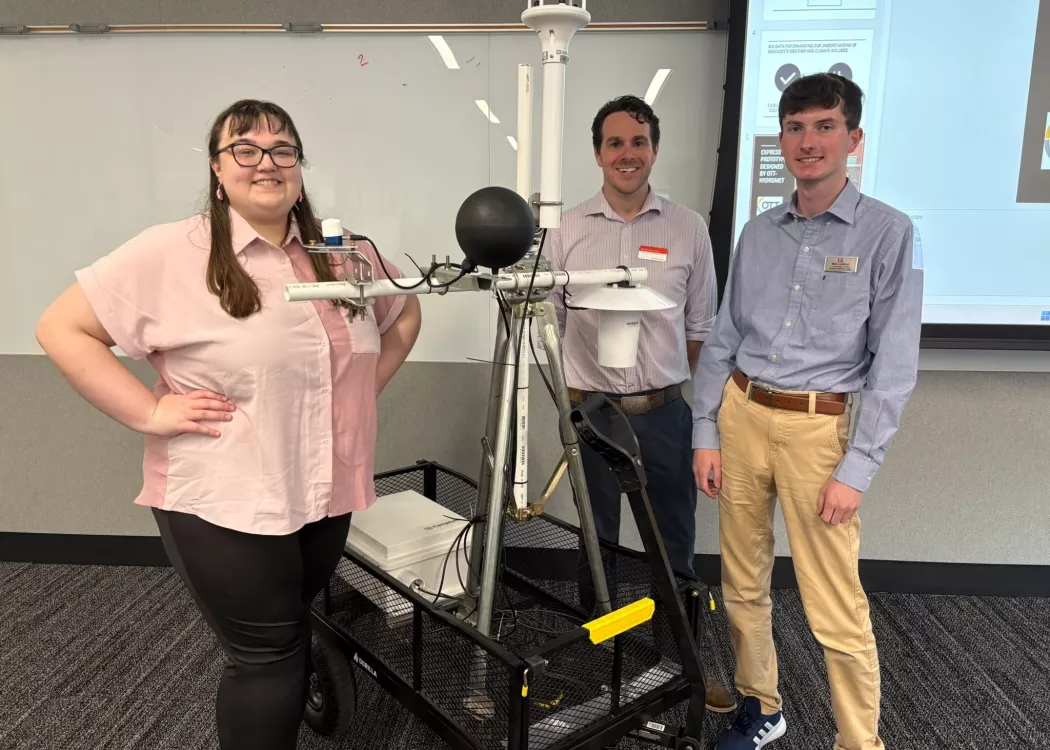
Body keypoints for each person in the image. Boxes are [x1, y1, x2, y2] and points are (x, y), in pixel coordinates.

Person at [34, 99, 422, 750]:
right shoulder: (171, 251)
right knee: (268, 658)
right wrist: (150, 411)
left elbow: (402, 314)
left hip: (324, 491)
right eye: (245, 148)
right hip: (224, 497)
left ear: (300, 165)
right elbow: (61, 328)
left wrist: (360, 390)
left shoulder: (343, 252)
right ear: (218, 169)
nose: (266, 162)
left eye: (282, 148)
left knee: (290, 624)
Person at [691, 73, 923, 750]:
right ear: (782, 139)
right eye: (795, 128)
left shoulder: (888, 232)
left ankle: (859, 741)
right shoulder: (758, 232)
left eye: (825, 127)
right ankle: (761, 707)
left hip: (817, 432)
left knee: (834, 602)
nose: (808, 142)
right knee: (742, 583)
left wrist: (858, 468)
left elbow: (894, 365)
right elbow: (726, 335)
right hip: (741, 415)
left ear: (854, 138)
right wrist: (706, 429)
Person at [547, 94, 735, 713]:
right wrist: (572, 402)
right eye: (615, 143)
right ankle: (597, 663)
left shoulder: (688, 228)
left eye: (638, 142)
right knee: (595, 543)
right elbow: (549, 326)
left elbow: (701, 328)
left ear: (654, 149)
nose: (627, 154)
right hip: (592, 415)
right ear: (597, 153)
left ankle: (681, 661)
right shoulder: (565, 230)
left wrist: (699, 417)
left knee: (672, 544)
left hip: (663, 413)